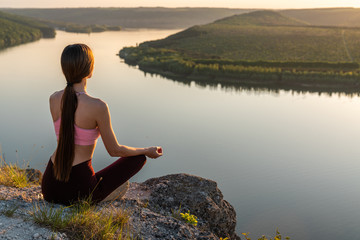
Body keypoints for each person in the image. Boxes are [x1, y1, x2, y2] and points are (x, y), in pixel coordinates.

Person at [41, 43, 163, 205]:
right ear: (89, 69)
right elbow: (114, 150)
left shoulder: (54, 98)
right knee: (138, 159)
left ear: (65, 69)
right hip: (79, 191)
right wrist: (147, 150)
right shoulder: (98, 106)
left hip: (50, 186)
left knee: (101, 177)